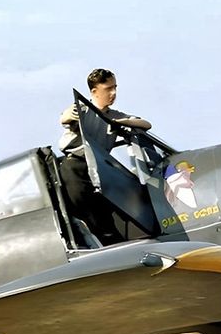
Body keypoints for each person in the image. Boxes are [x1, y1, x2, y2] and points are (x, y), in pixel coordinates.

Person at [58, 68, 151, 245]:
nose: (113, 93)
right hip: (76, 168)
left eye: (115, 87)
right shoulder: (82, 109)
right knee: (85, 215)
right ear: (94, 92)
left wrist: (121, 123)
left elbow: (146, 124)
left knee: (106, 219)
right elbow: (65, 117)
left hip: (99, 168)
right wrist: (69, 115)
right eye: (108, 89)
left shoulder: (114, 116)